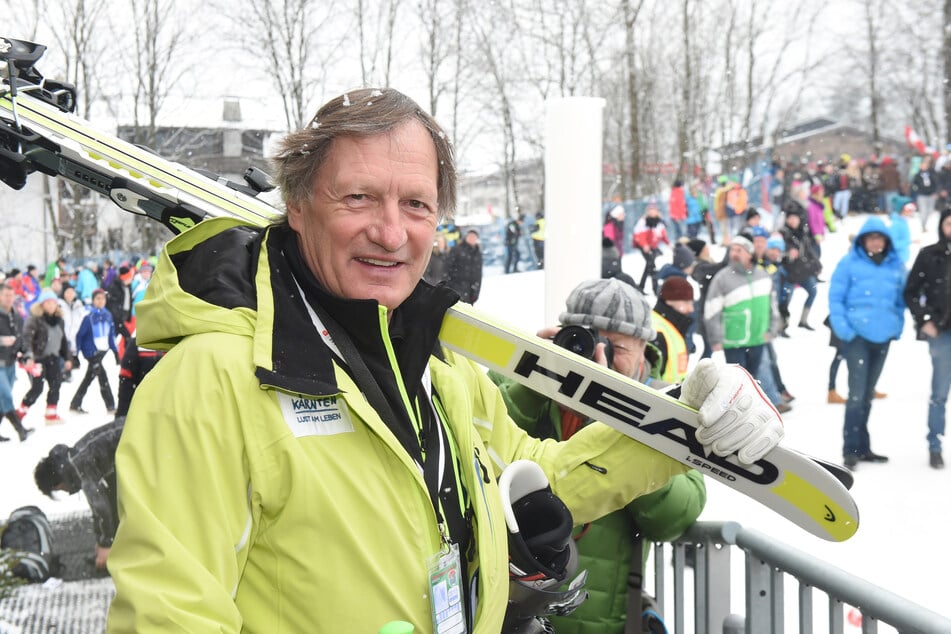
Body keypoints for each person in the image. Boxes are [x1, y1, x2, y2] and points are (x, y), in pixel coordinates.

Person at [106, 88, 784, 632]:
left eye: (416, 205)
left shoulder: (437, 368)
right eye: (359, 197)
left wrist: (678, 423)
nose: (390, 231)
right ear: (298, 204)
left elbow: (536, 473)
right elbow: (169, 616)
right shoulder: (212, 381)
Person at [488, 277, 705, 633]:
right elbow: (482, 451)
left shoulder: (664, 412)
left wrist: (617, 415)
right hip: (509, 615)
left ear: (642, 351)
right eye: (587, 341)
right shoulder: (513, 384)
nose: (598, 356)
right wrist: (535, 381)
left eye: (616, 347)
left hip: (600, 622)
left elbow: (672, 516)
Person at [828, 216, 906, 470]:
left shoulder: (895, 266)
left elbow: (902, 298)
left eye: (880, 237)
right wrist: (844, 330)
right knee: (856, 394)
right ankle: (850, 448)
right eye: (871, 238)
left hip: (883, 337)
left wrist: (897, 325)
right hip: (857, 337)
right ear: (863, 240)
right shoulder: (849, 263)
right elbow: (835, 298)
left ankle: (864, 446)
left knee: (868, 395)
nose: (876, 242)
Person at [34, 419, 124, 570]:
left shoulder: (81, 465)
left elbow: (101, 508)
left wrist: (105, 545)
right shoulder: (75, 457)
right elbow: (99, 508)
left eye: (59, 490)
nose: (66, 491)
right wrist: (102, 540)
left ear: (57, 484)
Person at [903, 206, 951, 469]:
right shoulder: (929, 255)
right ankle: (935, 443)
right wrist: (924, 320)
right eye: (948, 224)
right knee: (940, 393)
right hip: (942, 334)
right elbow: (910, 292)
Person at [704, 236, 778, 374]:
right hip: (733, 341)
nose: (734, 254)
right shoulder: (722, 277)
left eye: (739, 250)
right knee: (737, 382)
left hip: (758, 339)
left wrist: (772, 330)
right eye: (732, 250)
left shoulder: (763, 276)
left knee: (753, 381)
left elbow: (773, 307)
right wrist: (715, 339)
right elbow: (711, 310)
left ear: (750, 254)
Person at [18, 289, 72, 424]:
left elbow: (63, 341)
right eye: (47, 303)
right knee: (37, 388)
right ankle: (19, 413)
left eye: (53, 303)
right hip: (38, 360)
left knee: (56, 384)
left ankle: (51, 413)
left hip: (53, 358)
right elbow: (27, 338)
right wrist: (29, 355)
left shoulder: (59, 321)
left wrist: (68, 358)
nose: (50, 306)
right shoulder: (34, 320)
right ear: (41, 304)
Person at [69, 288, 118, 414]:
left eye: (103, 298)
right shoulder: (89, 316)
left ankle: (75, 403)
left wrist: (115, 351)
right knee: (103, 377)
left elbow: (110, 335)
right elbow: (80, 335)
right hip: (91, 352)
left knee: (89, 378)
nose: (101, 301)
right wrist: (76, 353)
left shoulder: (108, 315)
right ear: (93, 300)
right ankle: (111, 406)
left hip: (102, 352)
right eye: (98, 298)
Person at [778, 202, 821, 332]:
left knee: (813, 292)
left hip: (803, 272)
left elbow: (809, 250)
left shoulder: (803, 232)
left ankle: (803, 320)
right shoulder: (783, 233)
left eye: (795, 218)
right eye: (790, 218)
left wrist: (817, 264)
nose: (792, 221)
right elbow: (778, 252)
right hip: (789, 273)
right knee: (786, 299)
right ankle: (782, 325)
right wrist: (788, 254)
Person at [0, 282, 32, 441]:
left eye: (11, 295)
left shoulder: (17, 316)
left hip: (10, 363)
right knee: (5, 397)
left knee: (2, 399)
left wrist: (26, 355)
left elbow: (21, 339)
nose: (8, 298)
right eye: (6, 295)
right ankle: (20, 429)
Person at [652, 276, 695, 384]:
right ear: (669, 300)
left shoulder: (672, 326)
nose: (691, 309)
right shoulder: (656, 331)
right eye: (686, 302)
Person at [114, 335, 166, 418]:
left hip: (169, 409)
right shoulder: (137, 344)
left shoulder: (179, 343)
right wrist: (122, 413)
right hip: (143, 409)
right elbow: (126, 379)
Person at [632, 202, 670, 295]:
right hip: (644, 246)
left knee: (649, 266)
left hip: (653, 247)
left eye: (654, 211)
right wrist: (644, 245)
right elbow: (639, 235)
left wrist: (668, 244)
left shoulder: (659, 222)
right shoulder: (643, 221)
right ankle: (654, 288)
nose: (653, 213)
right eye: (651, 211)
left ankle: (642, 286)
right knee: (651, 265)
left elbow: (662, 235)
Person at [58, 282, 86, 382]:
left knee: (70, 357)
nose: (70, 294)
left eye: (72, 292)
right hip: (61, 337)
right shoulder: (59, 304)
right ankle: (62, 375)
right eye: (67, 292)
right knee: (63, 358)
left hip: (73, 336)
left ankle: (66, 374)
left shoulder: (77, 305)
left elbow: (82, 318)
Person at [445, 228, 483, 304]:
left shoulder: (478, 253)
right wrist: (449, 287)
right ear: (466, 237)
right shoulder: (456, 250)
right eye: (470, 236)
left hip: (470, 292)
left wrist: (476, 292)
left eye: (474, 237)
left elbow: (479, 275)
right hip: (455, 290)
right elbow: (447, 268)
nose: (472, 238)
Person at [106, 264, 135, 351]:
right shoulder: (115, 286)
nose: (131, 279)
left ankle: (115, 352)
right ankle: (125, 354)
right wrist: (118, 316)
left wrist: (128, 316)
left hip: (123, 315)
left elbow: (129, 301)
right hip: (117, 317)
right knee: (127, 336)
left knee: (116, 335)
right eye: (130, 277)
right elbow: (113, 303)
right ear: (125, 278)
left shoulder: (128, 286)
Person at [912, 154, 939, 231]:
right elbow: (914, 185)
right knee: (923, 210)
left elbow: (936, 183)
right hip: (922, 195)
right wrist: (917, 191)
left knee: (930, 211)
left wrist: (935, 192)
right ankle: (923, 225)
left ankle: (925, 222)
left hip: (931, 195)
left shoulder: (932, 173)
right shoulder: (917, 175)